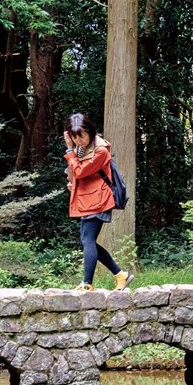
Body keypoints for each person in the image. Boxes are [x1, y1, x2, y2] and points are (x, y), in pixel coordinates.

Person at [64, 112, 130, 292]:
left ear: (90, 132)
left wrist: (69, 151)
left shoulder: (100, 150)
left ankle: (87, 284)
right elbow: (75, 172)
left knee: (88, 240)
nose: (79, 141)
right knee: (88, 241)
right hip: (87, 199)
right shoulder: (81, 149)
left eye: (82, 136)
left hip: (99, 199)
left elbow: (80, 171)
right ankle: (120, 274)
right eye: (74, 137)